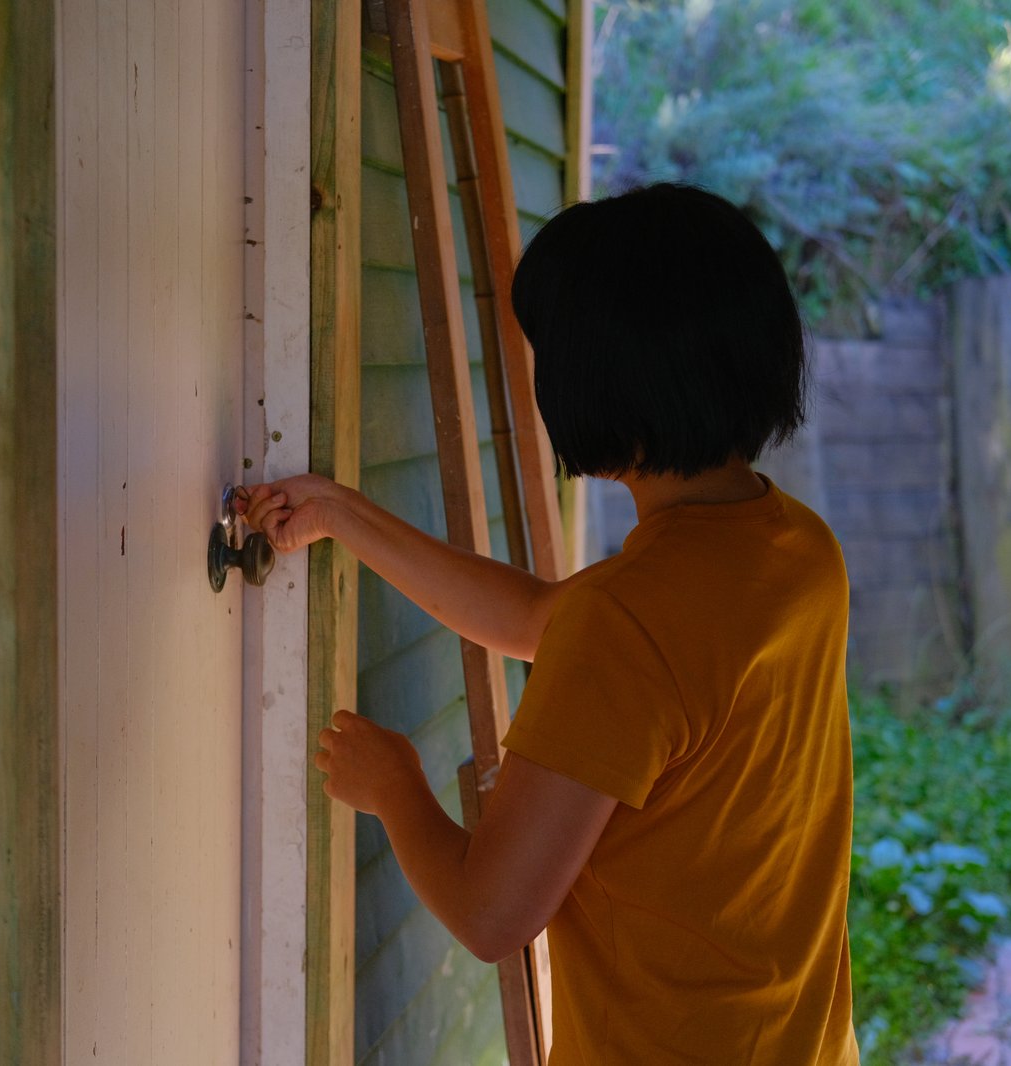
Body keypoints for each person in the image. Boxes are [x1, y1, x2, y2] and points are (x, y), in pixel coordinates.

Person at [240, 182, 858, 1064]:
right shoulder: (796, 551)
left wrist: (394, 787)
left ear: (596, 384)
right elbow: (539, 619)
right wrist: (344, 514)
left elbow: (492, 914)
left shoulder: (626, 619)